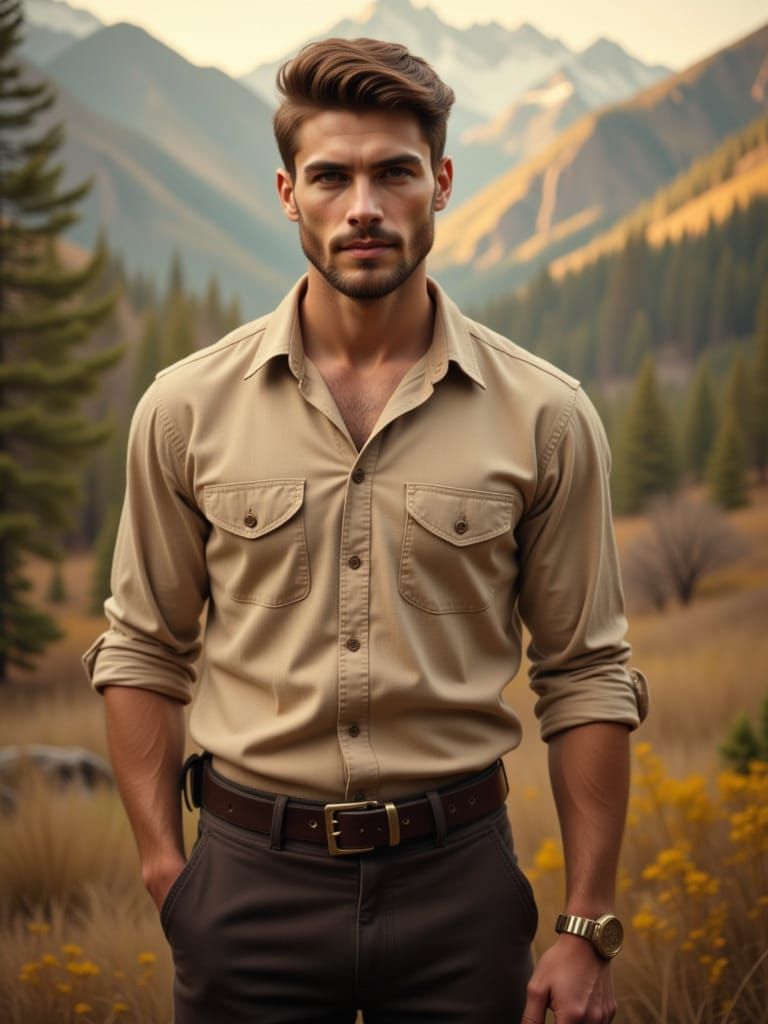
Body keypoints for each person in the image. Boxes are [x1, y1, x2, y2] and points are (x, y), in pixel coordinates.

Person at [83, 36, 648, 1024]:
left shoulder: (545, 416)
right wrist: (169, 870)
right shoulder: (184, 409)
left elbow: (587, 672)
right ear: (286, 192)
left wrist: (586, 921)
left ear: (441, 181)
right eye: (330, 176)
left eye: (394, 173)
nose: (364, 207)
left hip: (460, 889)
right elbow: (142, 648)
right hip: (245, 885)